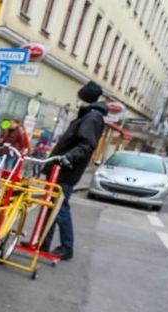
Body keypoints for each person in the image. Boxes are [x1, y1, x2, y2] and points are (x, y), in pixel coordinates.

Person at [40, 80, 107, 260]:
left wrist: (67, 157)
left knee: (60, 209)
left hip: (66, 171)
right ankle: (43, 243)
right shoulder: (88, 115)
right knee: (52, 208)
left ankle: (67, 247)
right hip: (61, 169)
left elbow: (86, 145)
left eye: (80, 97)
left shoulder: (92, 118)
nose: (77, 100)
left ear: (85, 98)